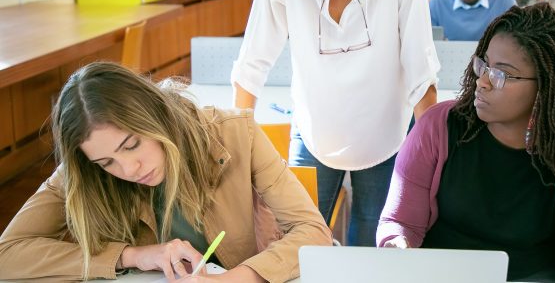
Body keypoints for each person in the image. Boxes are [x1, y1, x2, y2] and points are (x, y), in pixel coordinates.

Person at [230, 0, 439, 247]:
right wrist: (238, 144)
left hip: (386, 133)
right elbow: (255, 53)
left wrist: (434, 158)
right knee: (299, 246)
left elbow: (418, 58)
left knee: (372, 251)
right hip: (314, 130)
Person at [377, 3, 555, 283]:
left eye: (501, 74)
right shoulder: (438, 127)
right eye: (484, 65)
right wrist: (397, 244)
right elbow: (400, 222)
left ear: (549, 85)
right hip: (443, 274)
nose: (482, 82)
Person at [0, 62, 332, 282]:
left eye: (131, 145)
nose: (128, 169)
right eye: (106, 163)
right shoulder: (85, 167)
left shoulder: (235, 133)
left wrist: (237, 278)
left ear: (155, 115)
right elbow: (7, 254)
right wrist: (135, 255)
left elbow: (313, 232)